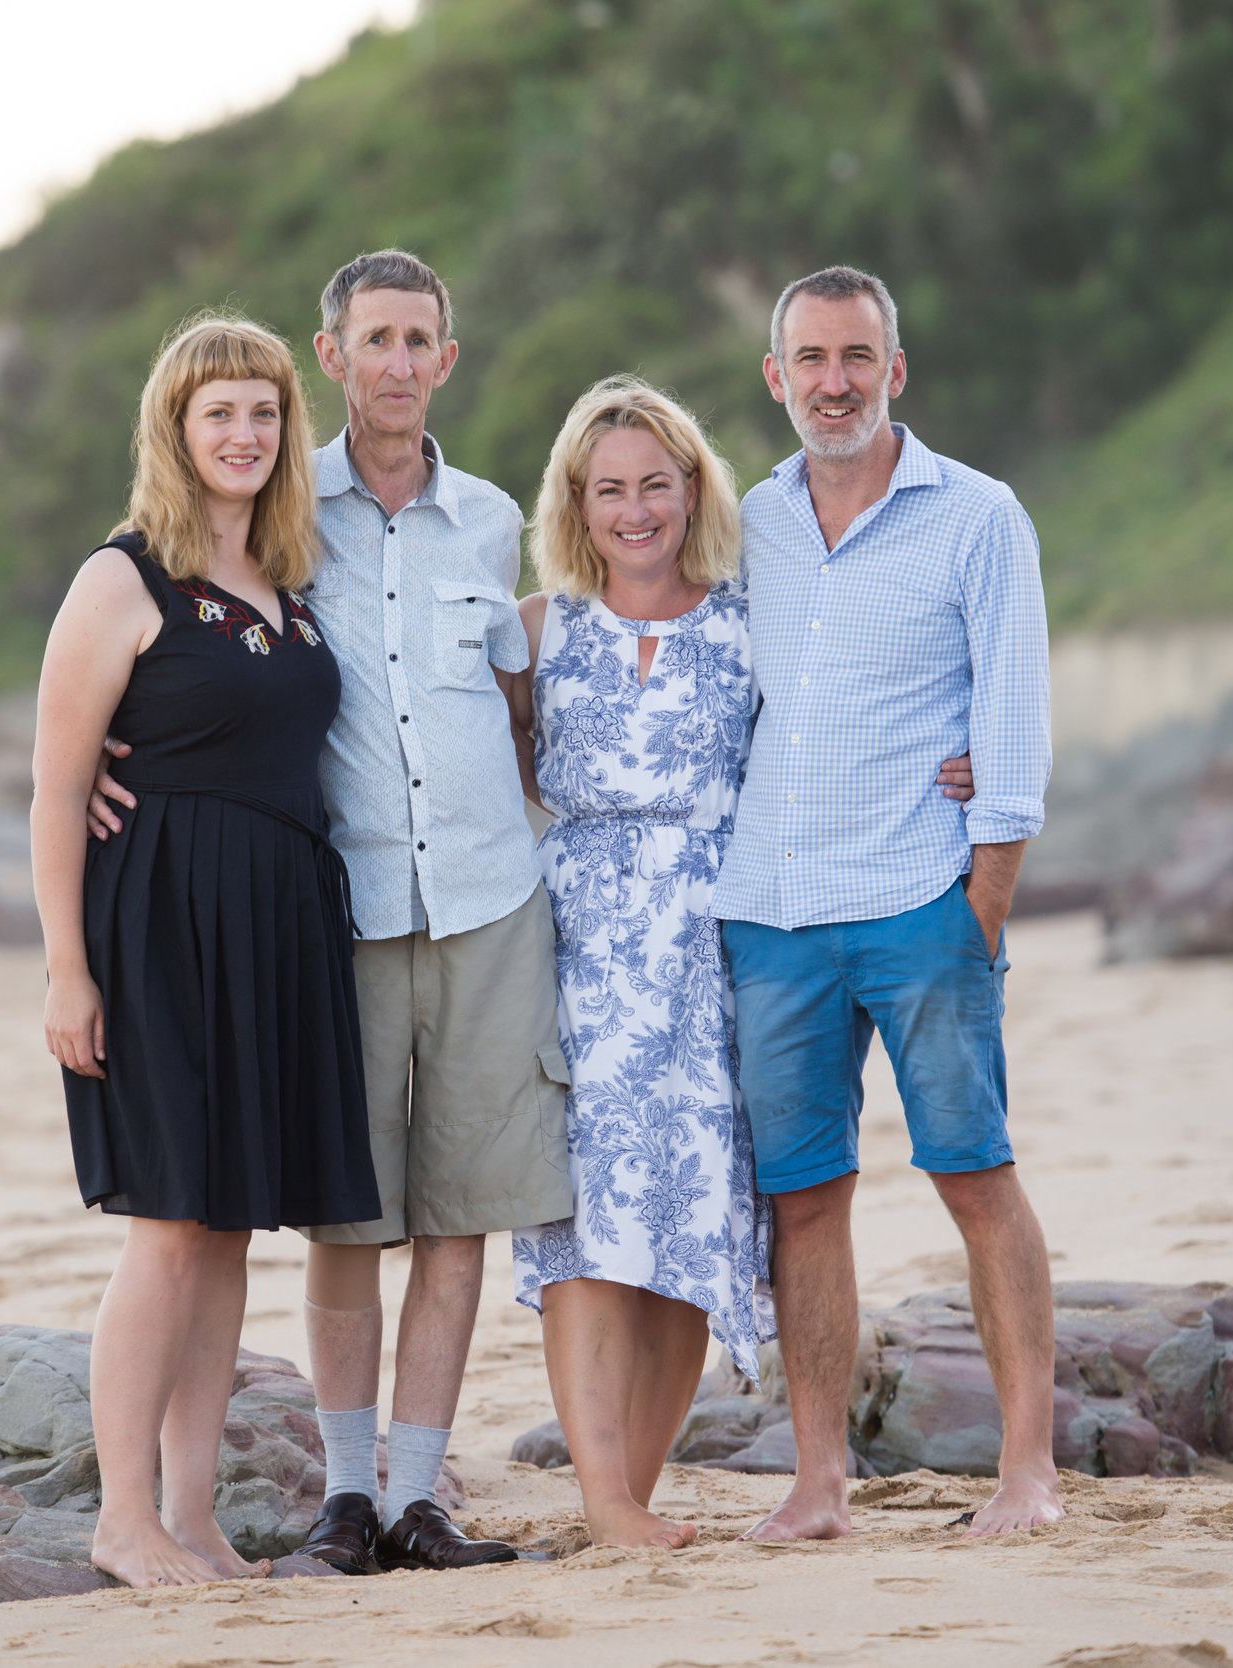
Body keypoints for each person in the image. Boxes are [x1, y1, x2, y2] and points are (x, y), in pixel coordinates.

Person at [90, 251, 565, 1575]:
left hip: (487, 898)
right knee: (344, 1217)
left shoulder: (491, 520)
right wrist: (114, 774)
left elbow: (525, 705)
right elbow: (184, 650)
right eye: (376, 339)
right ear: (334, 356)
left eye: (420, 340)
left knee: (460, 1213)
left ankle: (418, 1500)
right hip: (335, 910)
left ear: (446, 360)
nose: (398, 362)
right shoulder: (286, 513)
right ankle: (343, 1499)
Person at [30, 313, 380, 1589]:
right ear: (174, 431)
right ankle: (120, 1516)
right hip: (161, 931)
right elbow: (55, 788)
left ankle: (192, 1515)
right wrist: (67, 971)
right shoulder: (121, 580)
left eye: (264, 411)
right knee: (171, 1225)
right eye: (218, 412)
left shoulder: (288, 582)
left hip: (276, 929)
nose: (244, 433)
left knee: (229, 1228)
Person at [715, 265, 1065, 1541]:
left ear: (894, 371)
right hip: (771, 911)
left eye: (856, 357)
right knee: (803, 1199)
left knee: (974, 1176)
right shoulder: (743, 522)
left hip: (923, 901)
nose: (834, 382)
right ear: (775, 377)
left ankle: (1027, 1473)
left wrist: (980, 908)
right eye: (810, 359)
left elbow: (1012, 727)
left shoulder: (978, 517)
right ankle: (819, 1482)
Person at [501, 378, 767, 1551]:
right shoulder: (537, 629)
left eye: (656, 483)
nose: (635, 509)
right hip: (580, 955)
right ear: (575, 502)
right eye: (609, 489)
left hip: (716, 951)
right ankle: (603, 1500)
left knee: (688, 1232)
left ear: (693, 489)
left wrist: (954, 767)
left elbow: (839, 733)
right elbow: (459, 753)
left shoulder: (749, 622)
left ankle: (633, 1500)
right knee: (587, 1230)